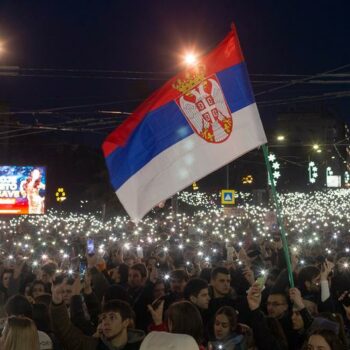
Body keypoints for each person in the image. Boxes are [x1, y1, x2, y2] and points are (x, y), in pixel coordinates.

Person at [50, 281, 145, 350]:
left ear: (125, 322)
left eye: (112, 317)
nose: (106, 323)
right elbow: (67, 334)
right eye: (104, 318)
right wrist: (57, 303)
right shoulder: (94, 345)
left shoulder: (143, 346)